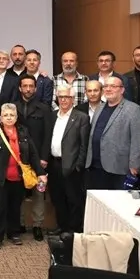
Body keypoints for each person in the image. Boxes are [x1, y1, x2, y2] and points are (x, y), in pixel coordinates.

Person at [0, 103, 46, 250]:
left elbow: (33, 154)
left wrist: (41, 173)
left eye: (12, 115)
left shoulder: (23, 132)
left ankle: (14, 233)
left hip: (18, 177)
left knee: (15, 207)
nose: (9, 118)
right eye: (6, 115)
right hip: (0, 178)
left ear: (16, 118)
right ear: (0, 118)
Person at [85, 76, 140, 190]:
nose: (108, 89)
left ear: (122, 90)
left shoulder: (134, 109)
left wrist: (134, 165)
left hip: (119, 167)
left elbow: (138, 140)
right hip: (95, 166)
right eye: (106, 86)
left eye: (113, 86)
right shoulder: (99, 107)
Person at [15, 74, 53, 241]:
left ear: (36, 88)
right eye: (25, 86)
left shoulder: (44, 109)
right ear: (20, 88)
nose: (28, 89)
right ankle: (20, 223)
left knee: (38, 192)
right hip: (18, 157)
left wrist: (44, 157)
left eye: (31, 86)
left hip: (38, 157)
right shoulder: (13, 107)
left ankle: (37, 225)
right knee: (19, 193)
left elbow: (47, 135)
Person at [48, 85, 90, 233]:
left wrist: (78, 166)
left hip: (72, 166)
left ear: (73, 99)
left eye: (67, 97)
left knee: (73, 200)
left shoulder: (81, 117)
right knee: (57, 198)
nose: (64, 100)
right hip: (54, 164)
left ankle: (73, 230)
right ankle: (62, 227)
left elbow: (84, 145)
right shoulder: (53, 115)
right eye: (61, 97)